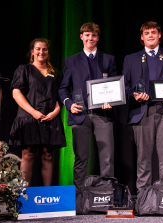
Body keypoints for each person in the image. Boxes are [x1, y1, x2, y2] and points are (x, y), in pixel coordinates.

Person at [123, 21, 163, 190]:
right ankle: (143, 195)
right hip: (142, 112)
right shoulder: (131, 59)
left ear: (159, 35)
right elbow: (125, 87)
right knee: (143, 157)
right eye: (147, 33)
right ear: (142, 37)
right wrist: (134, 95)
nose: (150, 35)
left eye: (153, 32)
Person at [58, 22, 117, 193]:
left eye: (93, 35)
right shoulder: (71, 61)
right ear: (81, 37)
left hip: (103, 115)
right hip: (80, 114)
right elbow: (63, 88)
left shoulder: (108, 59)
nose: (90, 38)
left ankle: (107, 193)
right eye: (87, 35)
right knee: (81, 158)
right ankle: (80, 195)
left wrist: (111, 100)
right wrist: (69, 105)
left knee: (107, 157)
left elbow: (114, 86)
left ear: (97, 38)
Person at [9, 38, 66, 186]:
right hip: (29, 118)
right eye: (38, 49)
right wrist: (33, 112)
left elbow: (62, 97)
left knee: (47, 156)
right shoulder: (24, 70)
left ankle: (47, 196)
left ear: (48, 52)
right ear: (32, 51)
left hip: (50, 119)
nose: (41, 52)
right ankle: (23, 195)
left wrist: (54, 113)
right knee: (28, 155)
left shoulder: (56, 74)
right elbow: (16, 93)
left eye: (45, 49)